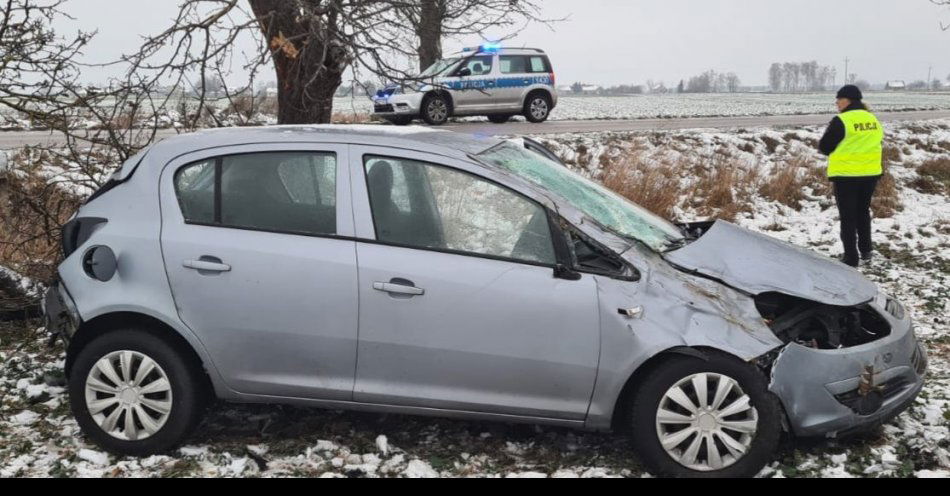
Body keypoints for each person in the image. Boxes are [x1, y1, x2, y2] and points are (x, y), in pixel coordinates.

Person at [818, 85, 884, 268]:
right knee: (863, 212)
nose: (836, 102)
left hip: (847, 176)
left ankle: (851, 257)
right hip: (870, 174)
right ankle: (866, 250)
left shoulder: (841, 120)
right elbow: (877, 142)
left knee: (848, 217)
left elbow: (825, 146)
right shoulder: (873, 119)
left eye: (839, 99)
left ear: (848, 100)